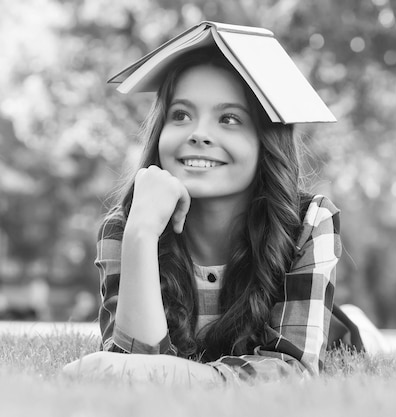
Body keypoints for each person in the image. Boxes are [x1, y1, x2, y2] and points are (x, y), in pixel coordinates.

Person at [64, 28, 342, 384]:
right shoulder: (126, 227)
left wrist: (182, 377)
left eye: (229, 119)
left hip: (333, 328)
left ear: (265, 141)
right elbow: (133, 370)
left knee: (352, 329)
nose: (198, 133)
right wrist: (142, 234)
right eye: (180, 115)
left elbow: (292, 373)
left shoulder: (309, 223)